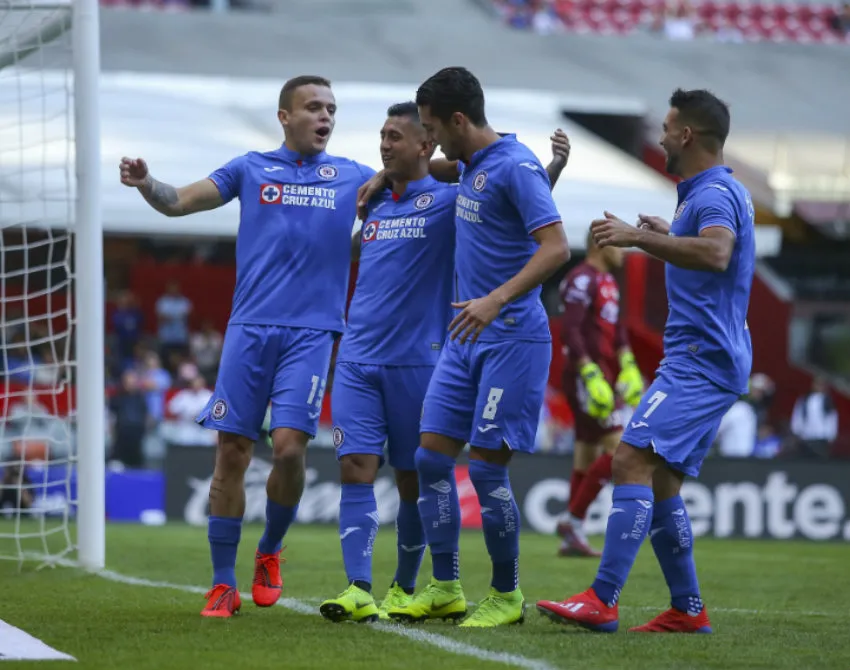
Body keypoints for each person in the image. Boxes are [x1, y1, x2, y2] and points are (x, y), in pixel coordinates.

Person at [119, 75, 376, 618]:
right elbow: (178, 202)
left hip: (312, 333)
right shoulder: (250, 168)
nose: (325, 116)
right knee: (231, 453)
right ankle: (221, 583)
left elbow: (420, 188)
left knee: (288, 448)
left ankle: (269, 550)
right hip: (249, 330)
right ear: (285, 116)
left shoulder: (355, 177)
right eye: (313, 107)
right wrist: (147, 183)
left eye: (331, 108)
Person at [320, 101, 571, 623]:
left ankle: (494, 592)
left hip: (472, 345)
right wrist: (377, 182)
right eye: (383, 135)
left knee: (455, 471)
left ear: (434, 136)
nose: (387, 143)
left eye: (404, 134)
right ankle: (419, 585)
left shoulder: (459, 192)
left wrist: (549, 174)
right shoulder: (382, 202)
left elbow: (517, 209)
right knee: (412, 463)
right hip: (379, 354)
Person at [538, 88, 755, 634]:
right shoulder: (706, 193)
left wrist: (639, 237)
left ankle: (603, 597)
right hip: (705, 355)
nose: (659, 136)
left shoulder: (713, 195)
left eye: (667, 126)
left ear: (687, 135)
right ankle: (687, 609)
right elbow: (708, 248)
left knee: (629, 461)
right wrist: (668, 232)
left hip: (701, 358)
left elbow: (718, 252)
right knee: (660, 483)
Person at [555, 226, 642, 557]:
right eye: (618, 244)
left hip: (606, 375)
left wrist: (629, 362)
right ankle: (574, 518)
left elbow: (617, 329)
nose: (623, 250)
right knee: (620, 452)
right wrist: (588, 371)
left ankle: (571, 534)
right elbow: (571, 330)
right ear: (600, 244)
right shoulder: (581, 279)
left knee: (587, 453)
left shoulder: (608, 282)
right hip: (587, 376)